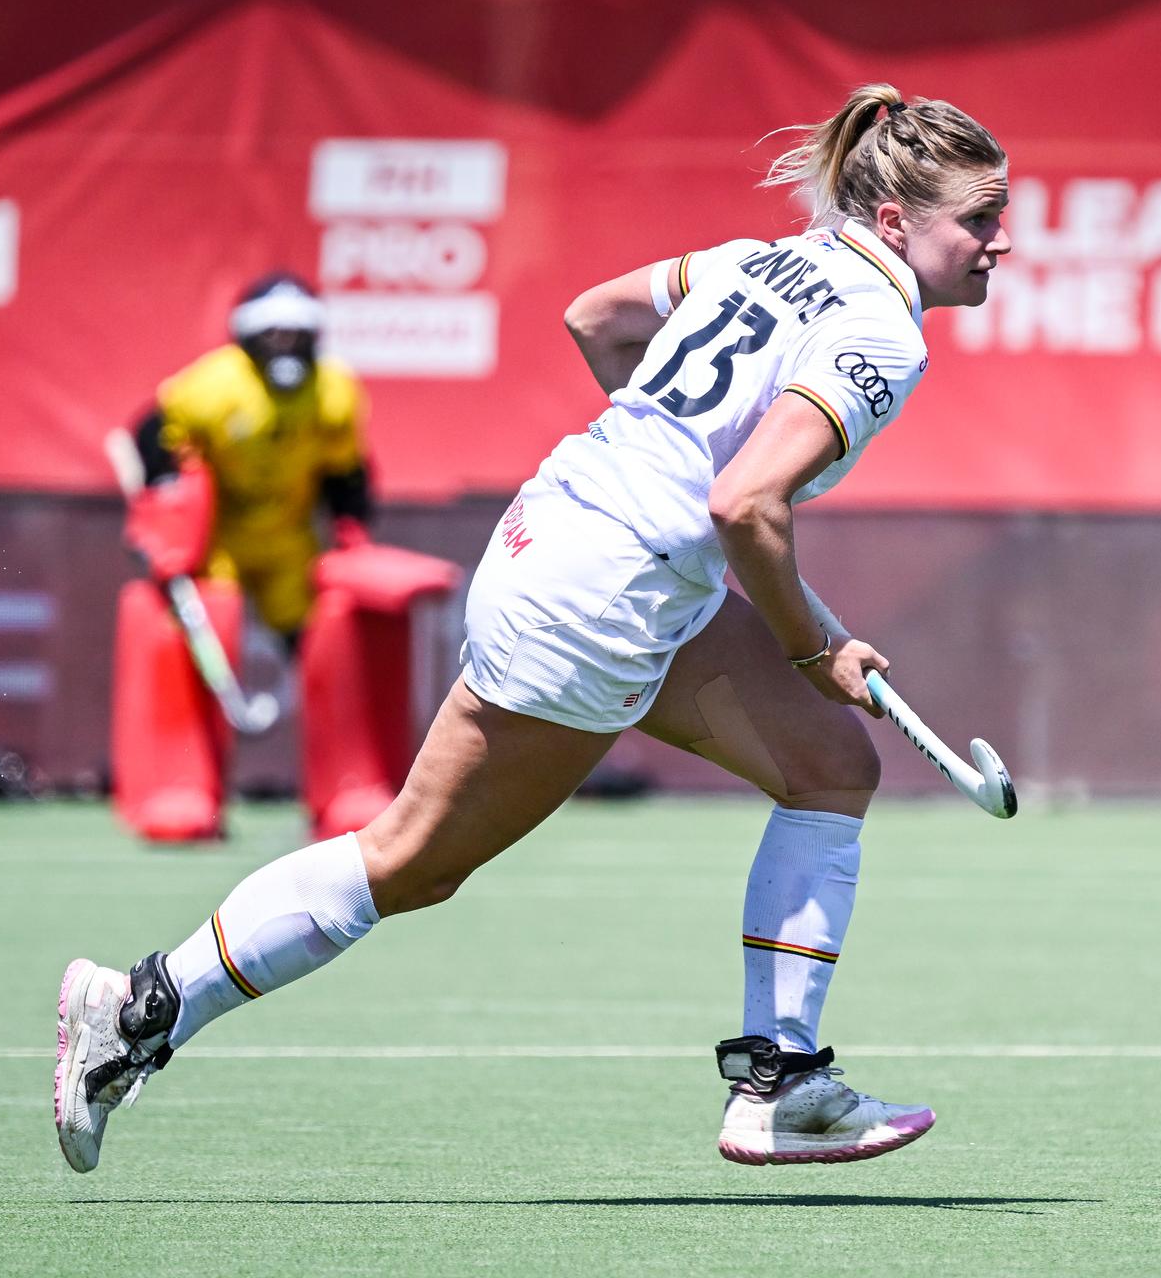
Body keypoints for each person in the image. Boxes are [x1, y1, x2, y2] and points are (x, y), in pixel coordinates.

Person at [57, 83, 1011, 1171]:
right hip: (598, 600)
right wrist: (815, 643)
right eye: (978, 219)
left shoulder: (757, 258)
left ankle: (782, 1079)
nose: (1001, 242)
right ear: (896, 222)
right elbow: (745, 504)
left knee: (830, 766)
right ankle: (137, 1007)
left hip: (574, 537)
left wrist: (648, 466)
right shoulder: (885, 331)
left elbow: (595, 318)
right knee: (411, 858)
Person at [126, 271, 374, 646]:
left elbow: (346, 471)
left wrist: (351, 520)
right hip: (222, 538)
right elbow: (155, 435)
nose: (286, 348)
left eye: (297, 335)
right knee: (210, 638)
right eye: (274, 335)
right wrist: (165, 507)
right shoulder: (211, 388)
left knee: (311, 641)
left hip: (290, 539)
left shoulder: (333, 393)